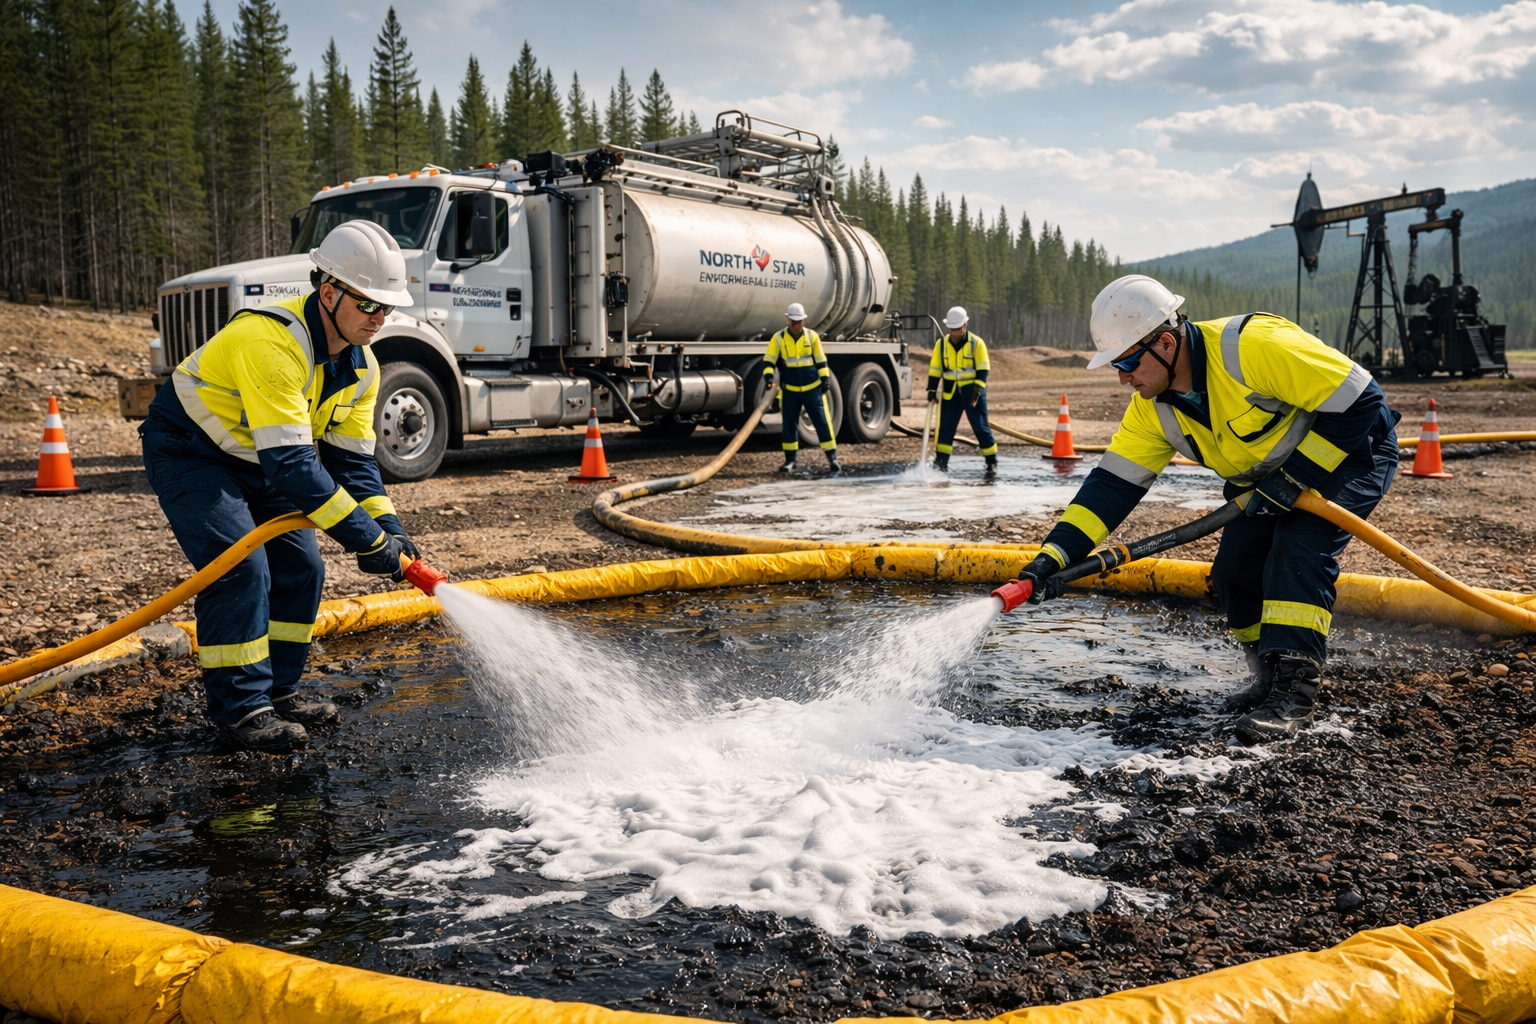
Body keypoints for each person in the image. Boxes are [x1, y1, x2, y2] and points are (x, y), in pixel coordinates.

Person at [1013, 275, 1399, 742]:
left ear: (1167, 343)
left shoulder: (1253, 348)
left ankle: (1294, 692)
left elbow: (1362, 400)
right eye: (1118, 365)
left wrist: (1296, 477)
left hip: (1349, 450)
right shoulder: (1152, 408)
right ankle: (1268, 675)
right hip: (1263, 477)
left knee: (1298, 550)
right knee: (1233, 573)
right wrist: (1051, 557)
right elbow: (1110, 489)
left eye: (1129, 362)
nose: (1123, 378)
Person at [139, 220, 423, 753]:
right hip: (190, 451)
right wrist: (367, 541)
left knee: (303, 567)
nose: (380, 319)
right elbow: (295, 467)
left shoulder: (363, 367)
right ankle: (241, 710)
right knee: (239, 566)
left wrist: (389, 528)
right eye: (369, 306)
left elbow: (353, 463)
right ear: (330, 290)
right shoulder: (270, 341)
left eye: (389, 308)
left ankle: (279, 693)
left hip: (257, 459)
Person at [761, 302, 841, 475]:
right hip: (790, 391)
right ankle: (790, 461)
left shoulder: (811, 337)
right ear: (788, 320)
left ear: (803, 320)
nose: (796, 325)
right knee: (789, 425)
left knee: (822, 422)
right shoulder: (779, 338)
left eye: (799, 321)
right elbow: (769, 360)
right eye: (793, 321)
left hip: (812, 389)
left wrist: (825, 379)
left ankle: (832, 458)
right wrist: (768, 377)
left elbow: (820, 359)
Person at [927, 306, 999, 479]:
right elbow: (935, 368)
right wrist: (931, 389)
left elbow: (983, 369)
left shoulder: (977, 343)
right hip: (951, 394)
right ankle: (942, 462)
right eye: (951, 329)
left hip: (972, 393)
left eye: (957, 328)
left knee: (980, 427)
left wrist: (978, 389)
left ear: (965, 325)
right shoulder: (942, 344)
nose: (954, 332)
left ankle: (991, 461)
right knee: (945, 429)